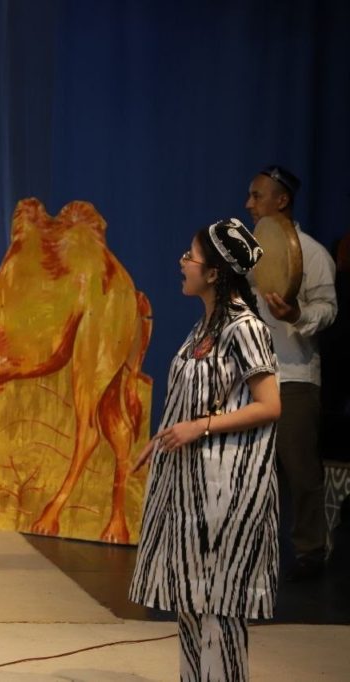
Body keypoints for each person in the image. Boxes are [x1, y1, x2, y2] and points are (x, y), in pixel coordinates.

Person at [129, 218, 281, 681]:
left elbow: (269, 405)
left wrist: (200, 427)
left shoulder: (245, 327)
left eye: (190, 257)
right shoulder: (205, 327)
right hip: (193, 487)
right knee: (193, 598)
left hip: (230, 486)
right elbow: (193, 397)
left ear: (214, 272)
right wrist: (163, 437)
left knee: (220, 602)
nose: (182, 263)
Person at [246, 165, 338, 581]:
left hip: (295, 376)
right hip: (254, 374)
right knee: (250, 468)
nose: (249, 204)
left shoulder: (312, 253)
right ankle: (249, 545)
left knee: (300, 469)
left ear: (281, 200)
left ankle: (310, 550)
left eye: (257, 195)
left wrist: (296, 314)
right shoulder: (251, 253)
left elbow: (328, 310)